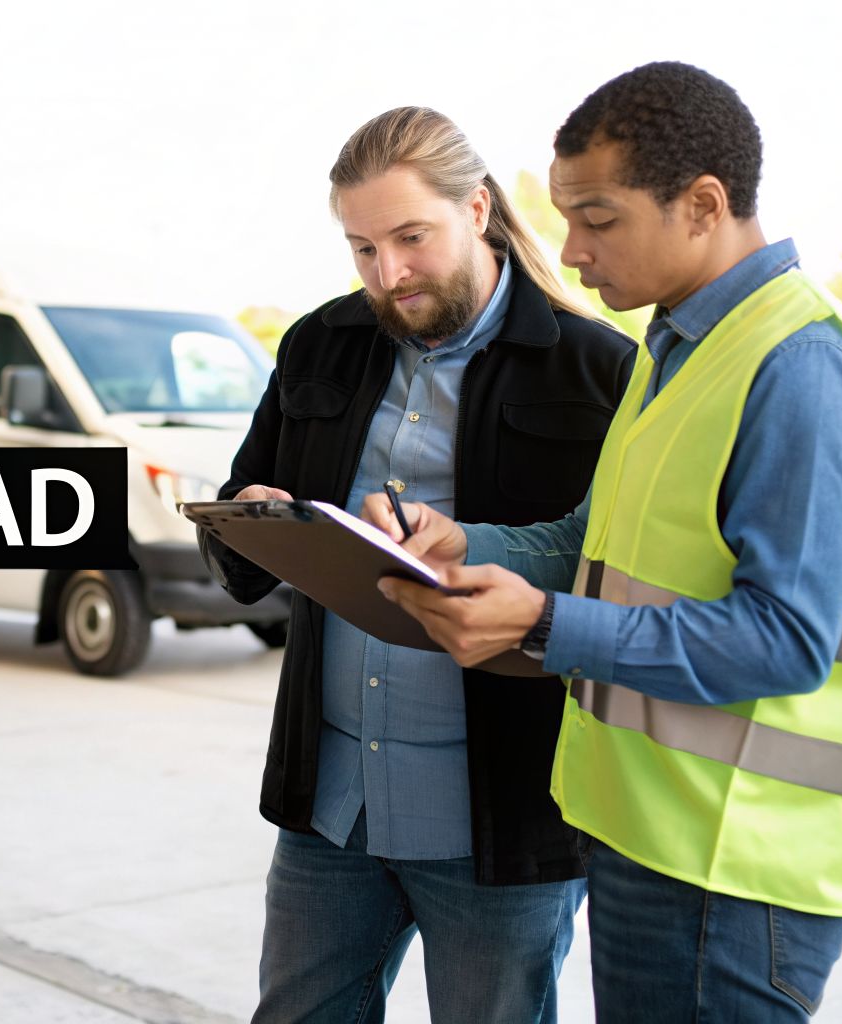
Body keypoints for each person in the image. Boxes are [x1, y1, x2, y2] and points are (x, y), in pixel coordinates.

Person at [369, 63, 842, 1023]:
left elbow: (782, 642)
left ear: (703, 205)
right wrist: (470, 544)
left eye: (598, 218)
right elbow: (597, 541)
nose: (570, 250)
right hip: (650, 835)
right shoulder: (680, 345)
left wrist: (542, 624)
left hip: (739, 867)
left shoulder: (804, 373)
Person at [199, 106, 635, 1023]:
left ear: (477, 210)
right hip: (334, 806)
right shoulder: (319, 343)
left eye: (409, 237)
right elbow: (247, 498)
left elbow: (614, 581)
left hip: (499, 818)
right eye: (361, 248)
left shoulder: (600, 372)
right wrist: (256, 521)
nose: (387, 274)